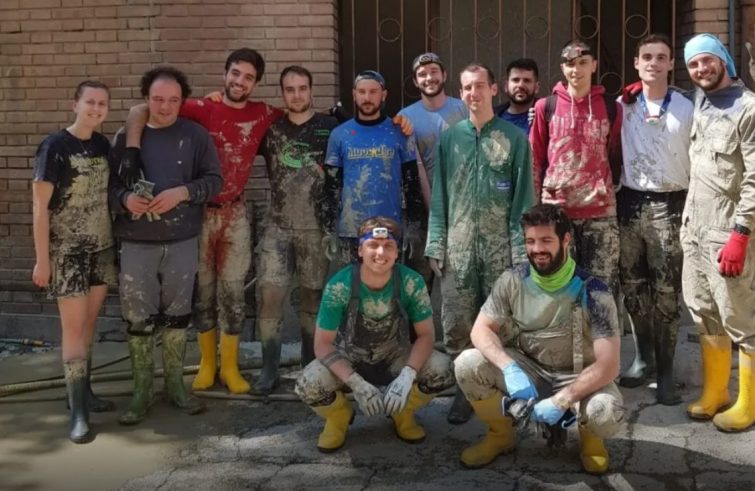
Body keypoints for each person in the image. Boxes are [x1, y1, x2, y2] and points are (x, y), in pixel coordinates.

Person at [120, 49, 283, 395]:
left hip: (235, 214)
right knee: (202, 292)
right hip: (198, 212)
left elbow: (299, 116)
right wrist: (132, 151)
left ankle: (230, 367)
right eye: (235, 73)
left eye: (248, 77)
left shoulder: (263, 113)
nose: (240, 81)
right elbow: (139, 110)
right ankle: (208, 364)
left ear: (256, 83)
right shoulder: (199, 108)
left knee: (233, 292)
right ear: (225, 73)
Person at [455, 204, 624, 473]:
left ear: (566, 240)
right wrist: (509, 368)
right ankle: (501, 436)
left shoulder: (594, 291)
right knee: (467, 364)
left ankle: (591, 442)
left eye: (546, 240)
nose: (537, 249)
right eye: (530, 241)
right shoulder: (513, 281)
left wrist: (563, 399)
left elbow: (609, 365)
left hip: (578, 376)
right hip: (530, 372)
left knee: (605, 412)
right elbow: (480, 330)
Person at [110, 66, 223, 424]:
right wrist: (125, 199)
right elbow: (108, 188)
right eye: (158, 99)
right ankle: (141, 391)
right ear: (146, 98)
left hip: (182, 241)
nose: (165, 107)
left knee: (178, 315)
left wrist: (183, 192)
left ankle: (175, 386)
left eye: (173, 100)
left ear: (182, 101)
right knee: (138, 319)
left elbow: (215, 180)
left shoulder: (195, 135)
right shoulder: (126, 137)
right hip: (136, 242)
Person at [425, 63, 535, 424]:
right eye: (468, 87)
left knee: (501, 323)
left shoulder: (514, 138)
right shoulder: (450, 139)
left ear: (493, 90)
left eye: (480, 86)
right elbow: (439, 196)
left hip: (500, 250)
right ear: (461, 93)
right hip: (458, 249)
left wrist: (521, 254)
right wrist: (436, 243)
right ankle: (464, 388)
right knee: (457, 322)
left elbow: (523, 200)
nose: (474, 93)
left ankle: (501, 386)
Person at [295, 216, 454, 452]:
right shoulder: (340, 285)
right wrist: (355, 382)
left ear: (397, 251)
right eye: (373, 245)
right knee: (308, 384)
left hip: (394, 356)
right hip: (350, 357)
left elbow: (426, 336)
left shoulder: (411, 282)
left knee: (444, 369)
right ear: (360, 250)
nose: (381, 252)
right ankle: (338, 417)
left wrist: (407, 375)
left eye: (388, 246)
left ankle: (402, 411)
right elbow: (322, 344)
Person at [32, 80, 117, 443]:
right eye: (89, 102)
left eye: (102, 104)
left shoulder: (102, 145)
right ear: (75, 105)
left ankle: (85, 391)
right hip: (66, 252)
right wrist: (42, 261)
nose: (95, 108)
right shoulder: (54, 146)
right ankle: (77, 411)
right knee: (73, 328)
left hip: (101, 249)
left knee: (89, 323)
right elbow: (39, 207)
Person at [682, 33, 755, 432]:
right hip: (695, 230)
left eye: (707, 60)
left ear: (724, 59)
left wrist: (741, 234)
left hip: (729, 233)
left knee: (740, 317)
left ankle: (748, 403)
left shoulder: (748, 108)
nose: (701, 69)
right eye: (693, 64)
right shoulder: (701, 101)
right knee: (704, 312)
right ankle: (716, 392)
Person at [616, 34, 692, 405]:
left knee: (666, 292)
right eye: (647, 56)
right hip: (629, 202)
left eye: (661, 57)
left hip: (671, 204)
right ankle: (643, 358)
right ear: (636, 63)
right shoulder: (622, 104)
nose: (654, 63)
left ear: (671, 64)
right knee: (632, 286)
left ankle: (666, 370)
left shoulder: (687, 106)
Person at [253, 66, 339, 393]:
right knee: (269, 295)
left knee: (311, 298)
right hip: (277, 228)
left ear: (311, 90)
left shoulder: (330, 127)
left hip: (315, 229)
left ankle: (310, 366)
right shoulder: (271, 129)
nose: (297, 95)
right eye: (290, 89)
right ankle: (269, 370)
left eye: (302, 88)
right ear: (282, 93)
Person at [529, 39, 623, 307]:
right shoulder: (546, 107)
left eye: (583, 63)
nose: (576, 70)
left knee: (601, 290)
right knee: (559, 289)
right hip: (558, 212)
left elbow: (615, 154)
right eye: (570, 64)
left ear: (593, 65)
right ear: (563, 68)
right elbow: (535, 158)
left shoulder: (611, 107)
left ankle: (601, 336)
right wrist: (537, 210)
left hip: (600, 213)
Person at [322, 70, 424, 269]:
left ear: (383, 95)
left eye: (373, 92)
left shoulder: (399, 132)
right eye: (362, 92)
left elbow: (411, 183)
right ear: (354, 94)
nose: (367, 97)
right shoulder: (339, 134)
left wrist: (413, 228)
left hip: (389, 229)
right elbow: (331, 186)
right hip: (350, 231)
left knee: (387, 286)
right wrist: (328, 229)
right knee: (353, 285)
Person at [397, 52, 468, 288]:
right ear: (415, 81)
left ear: (444, 75)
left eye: (434, 72)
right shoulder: (406, 117)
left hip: (462, 210)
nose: (429, 78)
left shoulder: (464, 109)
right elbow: (414, 168)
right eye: (422, 74)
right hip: (423, 213)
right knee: (419, 285)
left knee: (459, 283)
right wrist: (434, 209)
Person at [494, 58, 541, 134]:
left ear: (536, 87)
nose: (521, 85)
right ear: (506, 86)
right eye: (515, 80)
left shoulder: (547, 117)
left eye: (527, 80)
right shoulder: (492, 118)